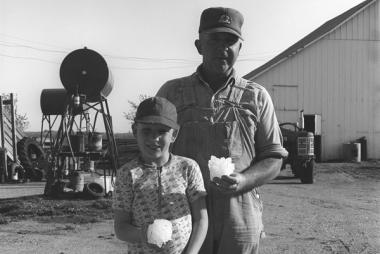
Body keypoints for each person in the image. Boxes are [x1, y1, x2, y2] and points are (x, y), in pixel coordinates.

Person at [157, 7, 288, 254]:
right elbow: (154, 151)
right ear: (199, 45)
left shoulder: (257, 96)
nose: (222, 47)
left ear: (240, 47)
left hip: (240, 215)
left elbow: (273, 157)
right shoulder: (171, 93)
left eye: (230, 40)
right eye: (213, 39)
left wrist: (244, 180)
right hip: (184, 213)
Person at [113, 96, 208, 254]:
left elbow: (201, 219)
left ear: (174, 134)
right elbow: (121, 227)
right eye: (146, 131)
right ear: (135, 131)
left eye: (162, 131)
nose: (154, 138)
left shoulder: (188, 168)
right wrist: (143, 235)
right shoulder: (126, 174)